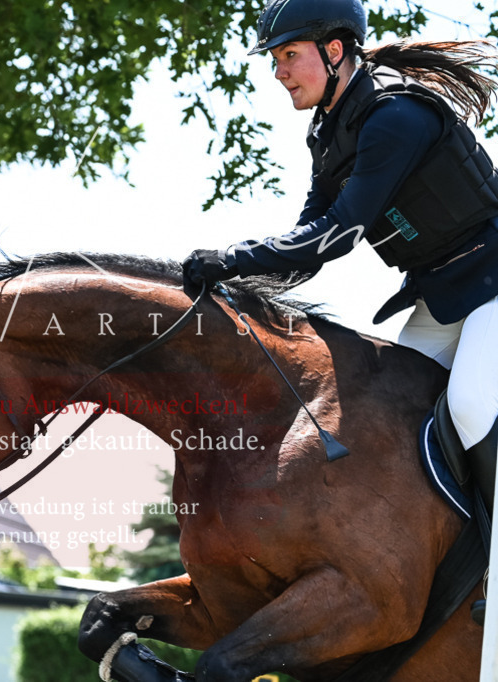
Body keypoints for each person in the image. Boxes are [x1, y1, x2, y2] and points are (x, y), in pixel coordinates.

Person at [182, 0, 498, 622]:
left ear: (333, 50)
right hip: (444, 292)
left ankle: (490, 558)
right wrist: (235, 277)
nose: (278, 73)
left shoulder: (394, 118)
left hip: (496, 281)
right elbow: (308, 250)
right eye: (274, 61)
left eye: (288, 56)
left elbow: (339, 233)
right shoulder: (328, 134)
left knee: (465, 406)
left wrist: (234, 257)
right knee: (392, 412)